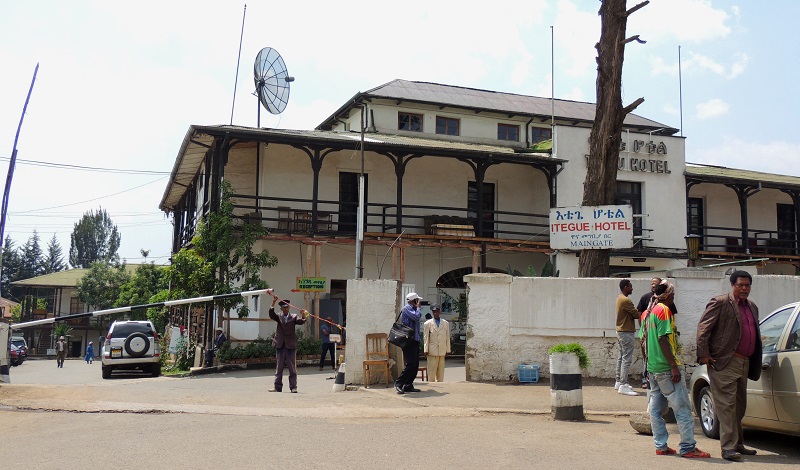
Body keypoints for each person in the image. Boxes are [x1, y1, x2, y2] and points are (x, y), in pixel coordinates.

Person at [696, 270, 762, 461]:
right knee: (726, 406)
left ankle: (738, 443)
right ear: (732, 285)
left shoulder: (752, 306)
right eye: (740, 285)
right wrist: (704, 355)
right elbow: (703, 329)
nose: (743, 288)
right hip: (725, 361)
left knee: (740, 406)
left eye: (747, 285)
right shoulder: (720, 302)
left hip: (745, 362)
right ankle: (727, 448)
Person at [646, 281, 710, 459]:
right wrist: (674, 366)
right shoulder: (664, 311)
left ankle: (661, 446)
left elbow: (644, 340)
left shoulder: (650, 311)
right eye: (673, 295)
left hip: (653, 368)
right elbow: (663, 340)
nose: (674, 298)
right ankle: (688, 447)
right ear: (667, 296)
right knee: (682, 409)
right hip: (667, 368)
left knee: (656, 410)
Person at [268, 298, 308, 393]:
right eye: (284, 307)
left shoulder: (294, 317)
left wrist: (303, 315)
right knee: (279, 367)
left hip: (290, 345)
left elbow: (301, 321)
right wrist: (273, 302)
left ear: (289, 307)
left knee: (292, 368)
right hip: (280, 345)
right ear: (281, 309)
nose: (286, 309)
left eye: (287, 307)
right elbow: (271, 315)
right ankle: (277, 387)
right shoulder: (278, 316)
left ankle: (293, 387)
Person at [615, 279, 640, 396]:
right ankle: (623, 384)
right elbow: (636, 314)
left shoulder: (619, 298)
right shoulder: (626, 300)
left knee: (621, 357)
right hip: (626, 331)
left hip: (620, 331)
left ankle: (618, 382)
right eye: (630, 286)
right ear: (625, 287)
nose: (632, 288)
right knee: (626, 359)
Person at [394, 292, 423, 395]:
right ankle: (399, 383)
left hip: (415, 340)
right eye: (417, 300)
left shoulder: (414, 309)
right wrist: (418, 308)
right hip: (408, 341)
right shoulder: (407, 308)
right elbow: (416, 317)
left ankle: (408, 385)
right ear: (413, 300)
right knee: (410, 363)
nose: (419, 302)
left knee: (415, 364)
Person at [636, 277, 661, 389]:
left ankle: (657, 379)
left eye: (655, 284)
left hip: (659, 333)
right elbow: (639, 314)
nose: (653, 285)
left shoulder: (664, 298)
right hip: (647, 333)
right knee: (646, 357)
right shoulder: (645, 297)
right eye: (651, 284)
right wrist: (643, 329)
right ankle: (645, 378)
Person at [423, 303, 450, 382]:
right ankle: (432, 386)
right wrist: (425, 349)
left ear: (439, 312)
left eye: (437, 311)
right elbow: (426, 337)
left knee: (441, 372)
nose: (436, 313)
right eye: (434, 312)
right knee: (431, 371)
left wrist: (447, 350)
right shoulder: (427, 324)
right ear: (432, 312)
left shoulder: (445, 323)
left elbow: (447, 337)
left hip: (442, 350)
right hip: (432, 350)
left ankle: (441, 384)